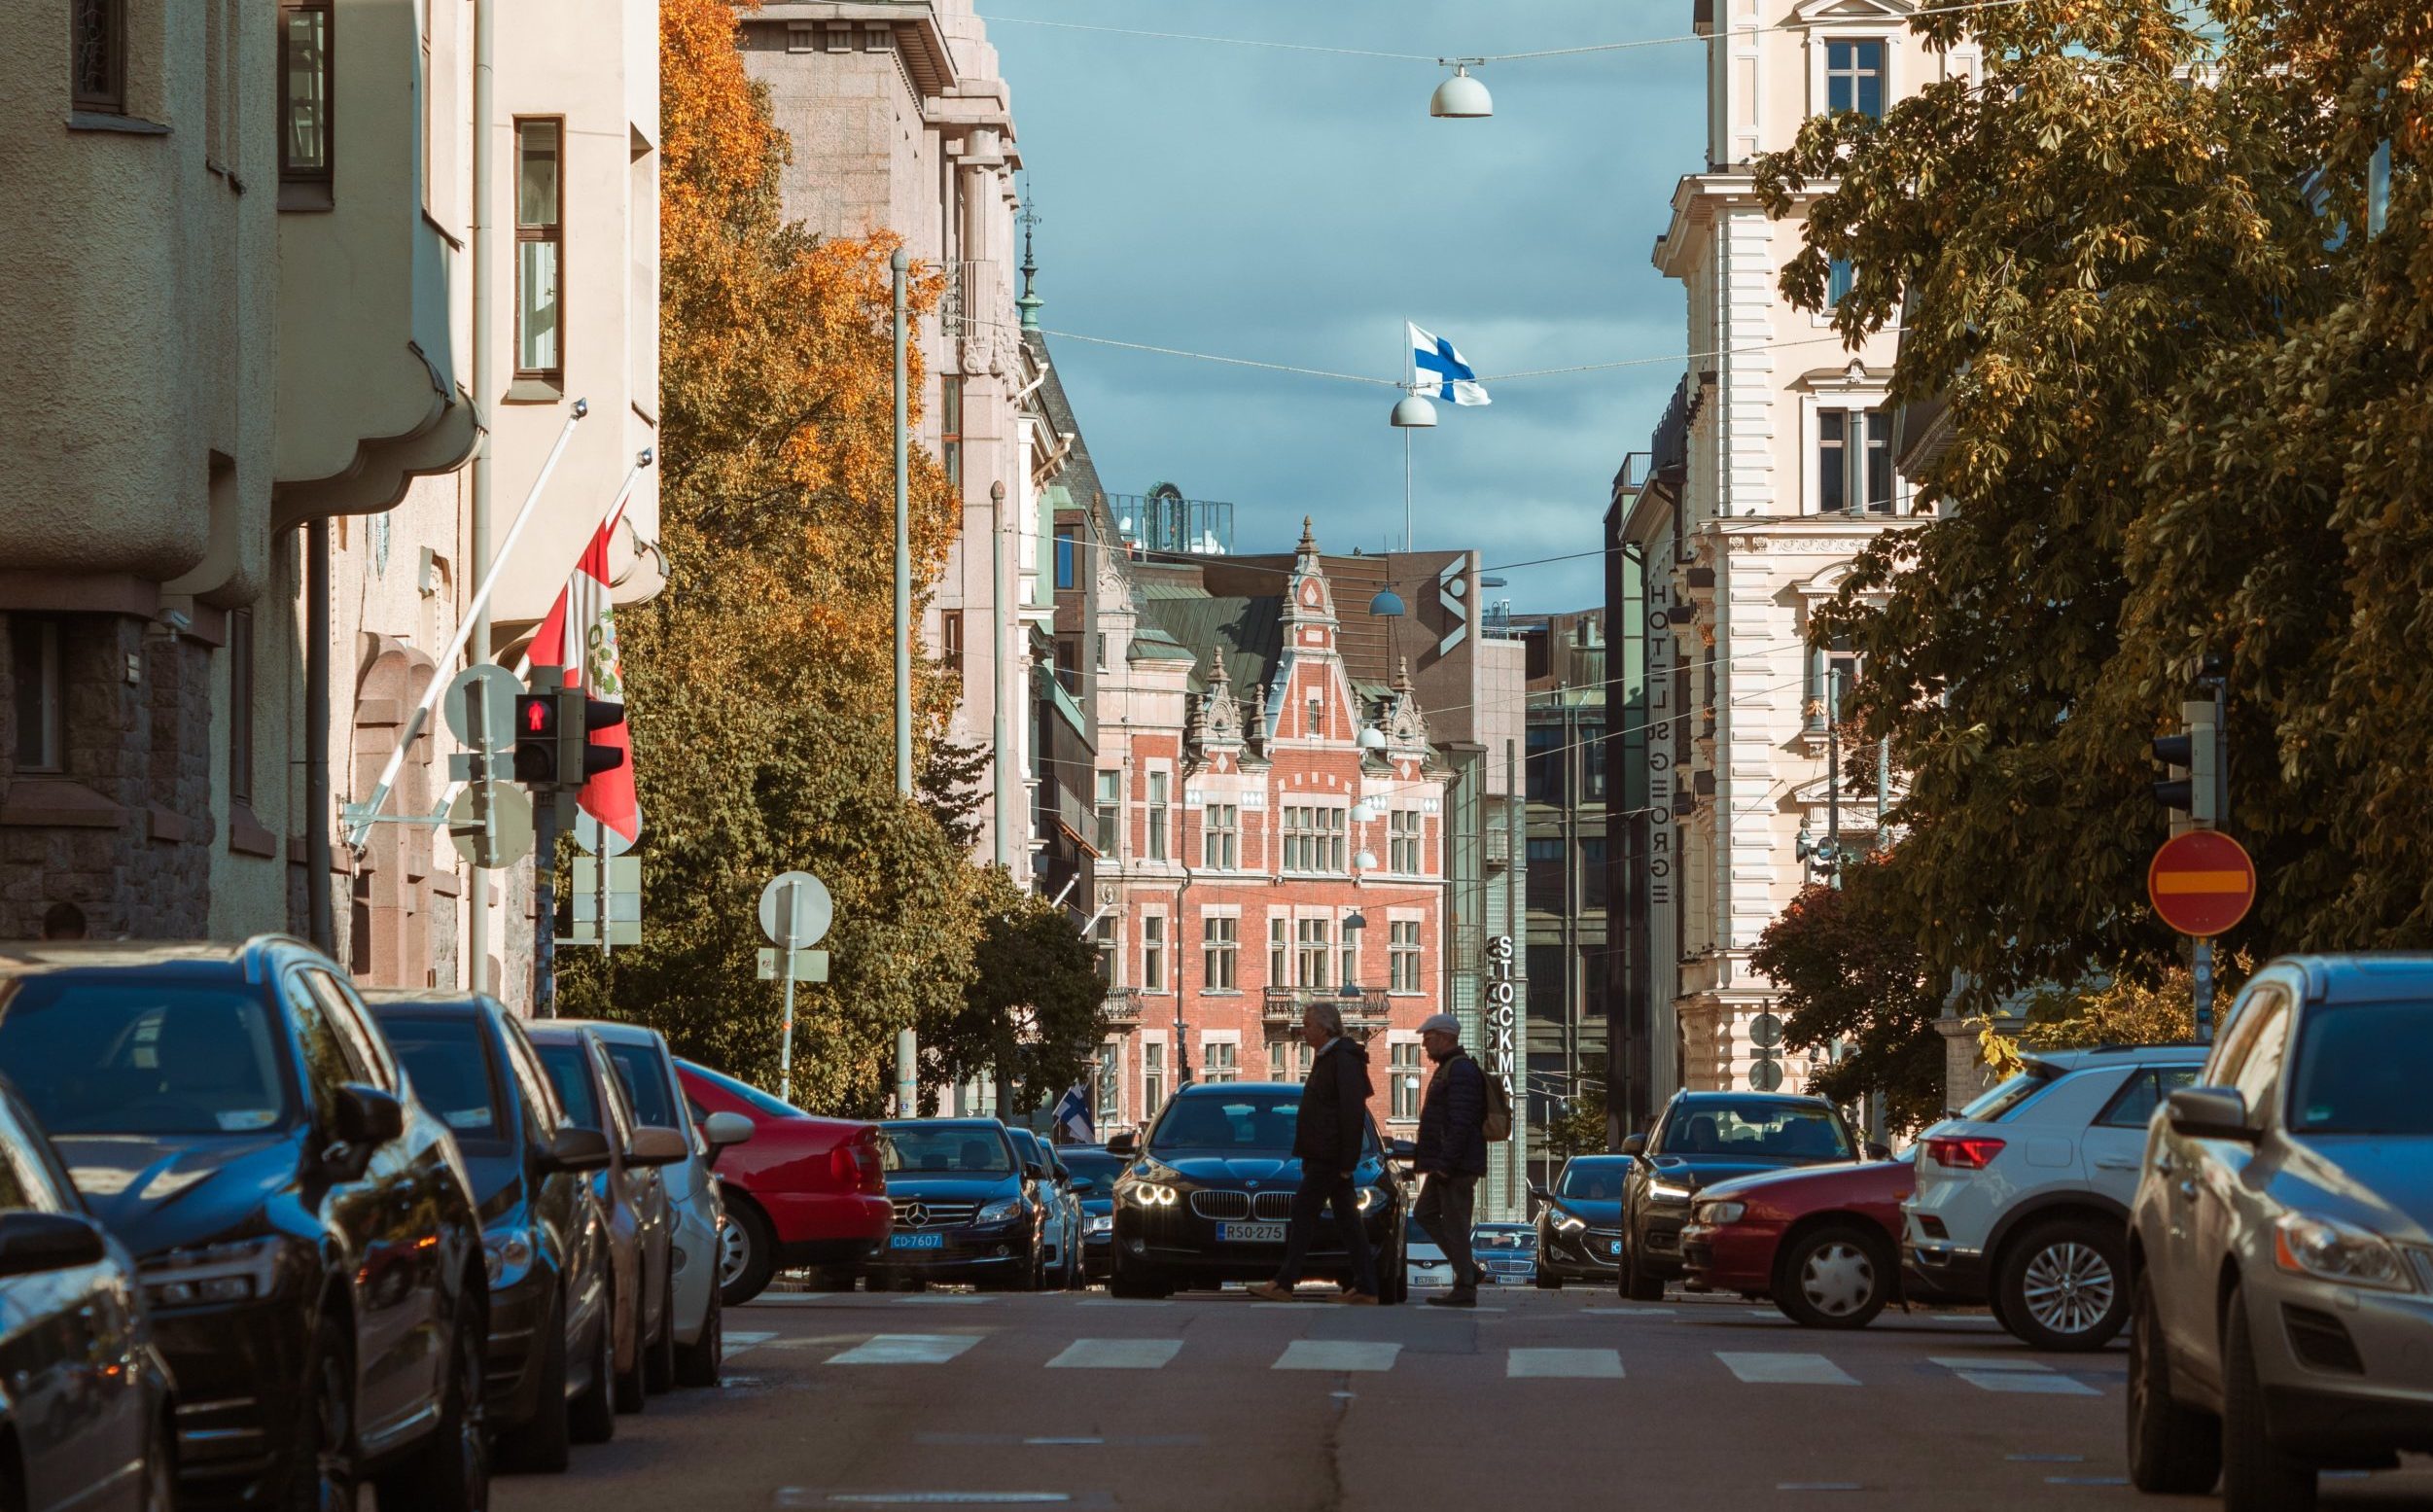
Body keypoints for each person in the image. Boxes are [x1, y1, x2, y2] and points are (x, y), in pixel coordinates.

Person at [1249, 1002, 1380, 1304]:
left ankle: (1285, 1282)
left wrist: (1347, 1161)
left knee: (1303, 1211)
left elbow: (1351, 1112)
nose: (1303, 1031)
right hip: (1326, 1154)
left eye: (1307, 1025)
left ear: (1323, 1028)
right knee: (1346, 1219)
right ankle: (1366, 1286)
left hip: (1330, 1156)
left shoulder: (1341, 1059)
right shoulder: (1332, 1058)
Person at [1411, 1012, 1489, 1308]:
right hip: (1447, 1163)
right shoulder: (1450, 1068)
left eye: (1429, 1039)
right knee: (1423, 1214)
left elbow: (1461, 1121)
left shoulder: (1460, 1071)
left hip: (1455, 1165)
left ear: (1445, 1037)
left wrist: (1445, 1164)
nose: (1426, 1046)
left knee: (1456, 1224)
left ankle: (1465, 1285)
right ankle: (1469, 1271)